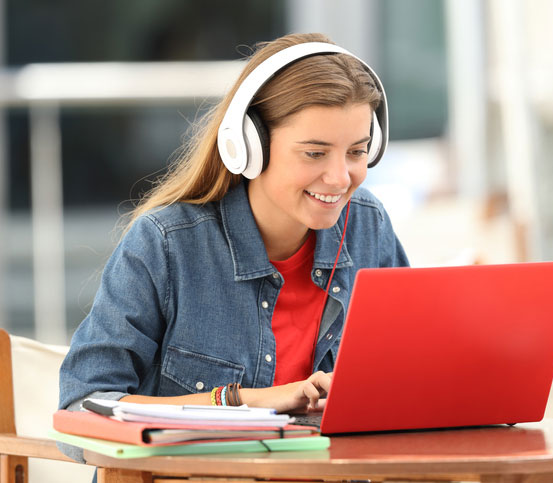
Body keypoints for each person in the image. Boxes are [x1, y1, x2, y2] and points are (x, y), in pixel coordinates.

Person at [58, 32, 408, 427]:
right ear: (248, 144)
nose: (341, 177)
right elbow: (81, 411)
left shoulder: (367, 225)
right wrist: (243, 401)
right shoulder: (166, 245)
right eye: (315, 153)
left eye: (357, 151)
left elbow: (413, 372)